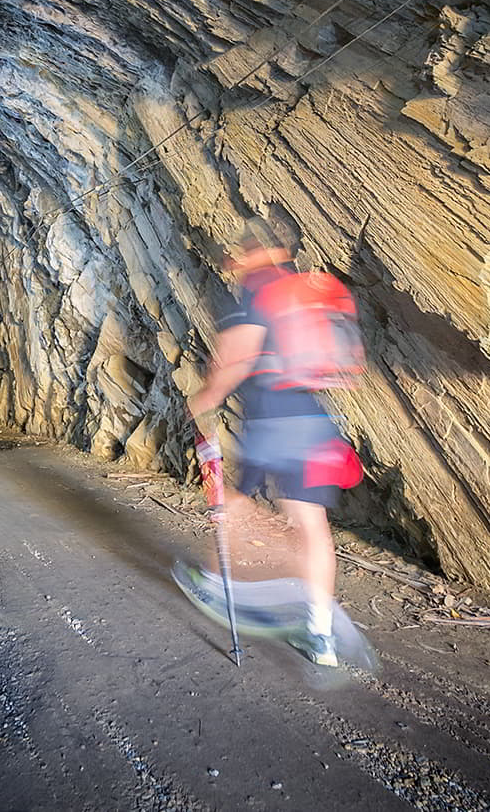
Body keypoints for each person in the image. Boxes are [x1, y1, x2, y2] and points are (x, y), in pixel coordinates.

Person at [186, 217, 363, 667]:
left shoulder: (257, 292)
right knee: (311, 525)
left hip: (272, 421)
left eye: (241, 254)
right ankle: (321, 635)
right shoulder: (306, 293)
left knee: (238, 502)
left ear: (252, 253)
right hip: (315, 421)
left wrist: (203, 398)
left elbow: (238, 358)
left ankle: (220, 584)